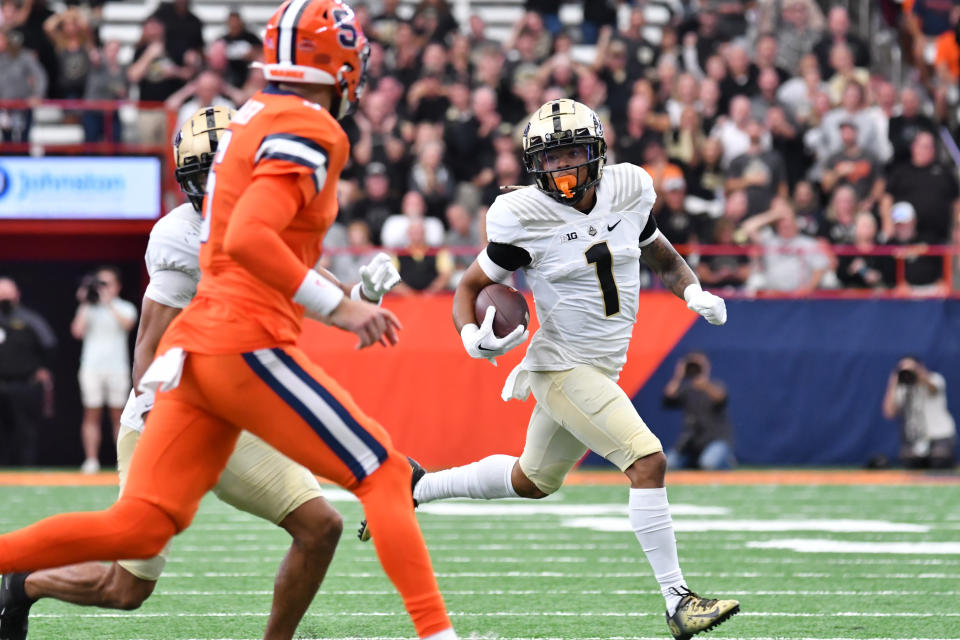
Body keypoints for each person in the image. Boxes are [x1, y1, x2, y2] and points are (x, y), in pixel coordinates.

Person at [0, 3, 458, 639]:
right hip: (216, 362)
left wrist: (352, 292)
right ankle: (439, 632)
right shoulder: (302, 132)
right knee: (382, 471)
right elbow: (245, 243)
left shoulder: (252, 119)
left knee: (274, 524)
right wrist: (344, 306)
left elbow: (274, 254)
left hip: (206, 364)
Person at [360, 99, 739, 640]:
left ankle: (415, 487)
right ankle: (678, 600)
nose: (563, 169)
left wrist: (693, 290)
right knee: (647, 460)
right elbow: (468, 288)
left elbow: (661, 254)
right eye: (552, 159)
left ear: (597, 154)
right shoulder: (524, 218)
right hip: (561, 365)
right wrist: (471, 336)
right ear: (536, 165)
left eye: (572, 155)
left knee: (533, 479)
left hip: (601, 364)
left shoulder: (629, 188)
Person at [71, 265, 138, 474]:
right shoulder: (89, 308)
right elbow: (77, 332)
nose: (102, 288)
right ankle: (91, 460)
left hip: (117, 367)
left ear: (117, 286)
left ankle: (123, 461)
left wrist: (108, 303)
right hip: (91, 367)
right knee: (92, 413)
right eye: (99, 283)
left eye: (106, 283)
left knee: (119, 415)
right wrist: (84, 303)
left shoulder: (125, 307)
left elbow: (128, 325)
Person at [0, 278, 56, 468]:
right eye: (1, 292)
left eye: (8, 292)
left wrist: (42, 368)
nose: (4, 297)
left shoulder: (30, 319)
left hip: (24, 384)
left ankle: (26, 471)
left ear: (17, 294)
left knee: (25, 431)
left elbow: (50, 345)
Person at [662, 352, 736, 470]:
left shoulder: (715, 385)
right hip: (691, 445)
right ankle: (694, 463)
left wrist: (704, 379)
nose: (695, 368)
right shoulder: (686, 390)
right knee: (668, 464)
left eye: (698, 365)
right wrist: (678, 375)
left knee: (709, 463)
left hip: (715, 440)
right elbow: (668, 397)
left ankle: (727, 460)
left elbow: (720, 397)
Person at [883, 356, 956, 469]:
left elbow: (933, 388)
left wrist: (918, 374)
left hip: (939, 435)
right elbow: (889, 412)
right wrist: (893, 383)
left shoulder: (935, 378)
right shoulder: (902, 387)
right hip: (915, 439)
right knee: (911, 464)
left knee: (939, 461)